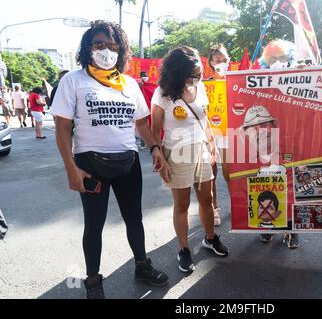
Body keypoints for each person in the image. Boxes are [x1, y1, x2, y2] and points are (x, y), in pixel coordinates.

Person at [50, 20, 169, 299]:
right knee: (94, 225)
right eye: (99, 44)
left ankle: (142, 265)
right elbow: (63, 128)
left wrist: (154, 149)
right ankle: (93, 281)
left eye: (113, 46)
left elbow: (140, 124)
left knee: (134, 219)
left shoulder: (128, 84)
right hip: (90, 166)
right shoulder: (74, 81)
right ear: (88, 48)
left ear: (122, 51)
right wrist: (71, 169)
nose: (106, 50)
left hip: (127, 163)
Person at [151, 46, 229, 274]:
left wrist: (212, 146)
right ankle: (184, 249)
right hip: (176, 154)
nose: (197, 79)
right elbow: (155, 130)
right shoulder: (162, 94)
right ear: (177, 73)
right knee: (182, 204)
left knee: (208, 198)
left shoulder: (200, 87)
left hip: (202, 151)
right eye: (193, 75)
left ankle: (210, 238)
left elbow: (204, 120)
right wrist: (159, 156)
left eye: (199, 75)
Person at [255, 39, 300, 249]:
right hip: (267, 140)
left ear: (289, 58)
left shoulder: (298, 78)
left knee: (292, 183)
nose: (278, 62)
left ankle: (291, 229)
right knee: (268, 181)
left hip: (292, 139)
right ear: (266, 61)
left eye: (282, 58)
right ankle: (267, 226)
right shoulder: (258, 80)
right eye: (273, 59)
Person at [207, 43, 232, 226]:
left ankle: (235, 206)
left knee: (230, 173)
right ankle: (214, 209)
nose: (221, 63)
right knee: (212, 174)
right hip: (210, 135)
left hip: (230, 134)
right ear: (211, 62)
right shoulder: (204, 83)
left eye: (224, 60)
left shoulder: (235, 82)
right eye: (217, 60)